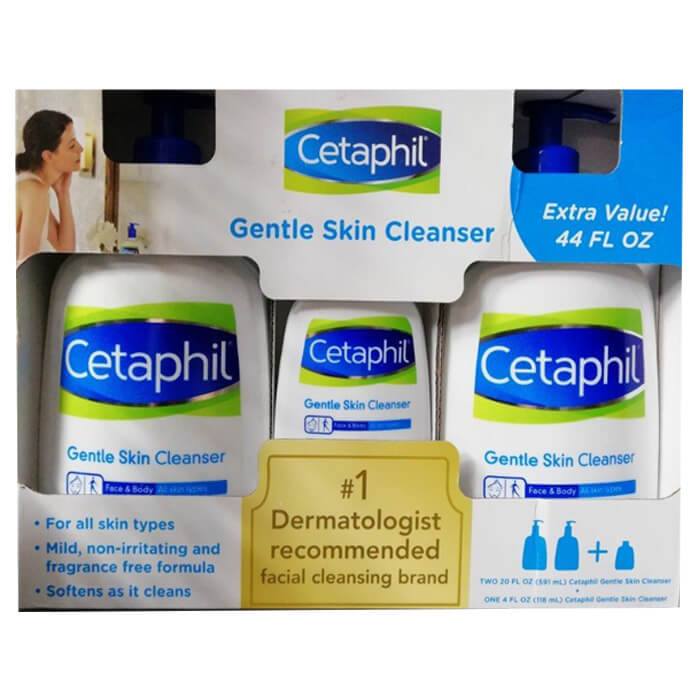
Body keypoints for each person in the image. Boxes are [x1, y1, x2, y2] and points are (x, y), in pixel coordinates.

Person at [16, 110, 82, 262]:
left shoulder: (34, 186)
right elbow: (26, 265)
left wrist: (63, 192)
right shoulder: (34, 190)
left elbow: (65, 250)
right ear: (48, 156)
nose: (80, 148)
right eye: (72, 145)